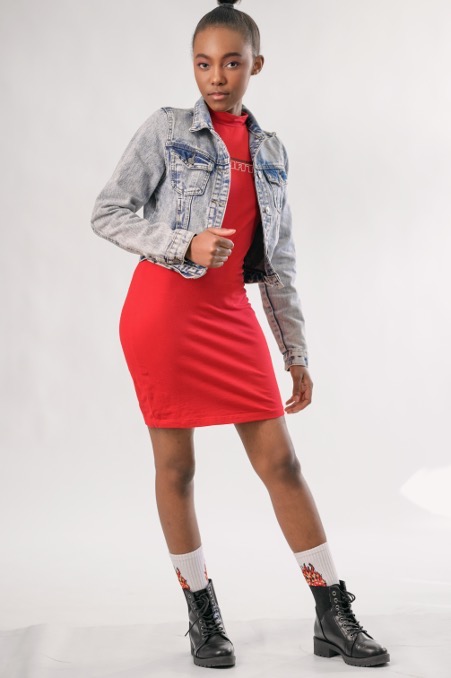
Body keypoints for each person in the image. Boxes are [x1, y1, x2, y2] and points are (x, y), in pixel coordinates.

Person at [90, 0, 390, 669]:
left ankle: (332, 613)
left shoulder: (271, 149)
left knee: (282, 464)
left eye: (231, 63)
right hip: (163, 315)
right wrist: (183, 243)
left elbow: (278, 260)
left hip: (230, 315)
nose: (216, 77)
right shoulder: (166, 129)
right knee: (178, 469)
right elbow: (107, 212)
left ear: (256, 64)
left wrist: (295, 352)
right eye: (203, 64)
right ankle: (202, 615)